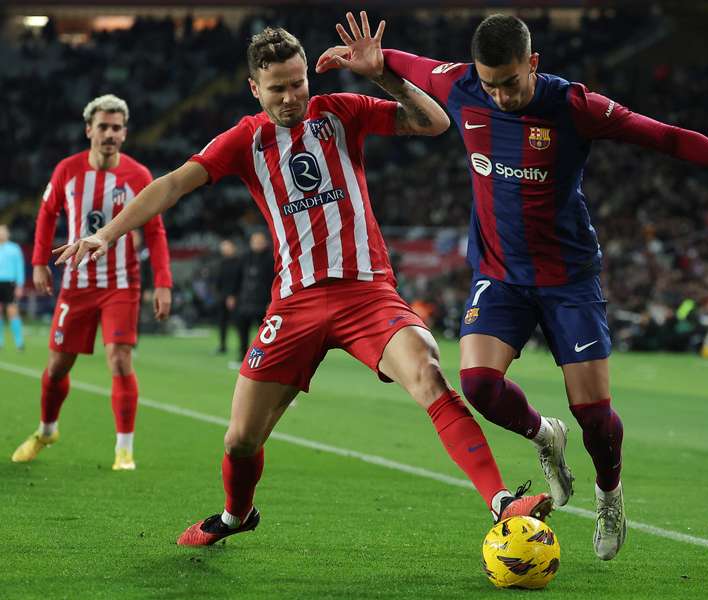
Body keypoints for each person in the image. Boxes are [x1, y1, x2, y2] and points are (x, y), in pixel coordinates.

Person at [318, 12, 708, 561]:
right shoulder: (461, 85)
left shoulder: (575, 107)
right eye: (489, 83)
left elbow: (663, 136)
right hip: (500, 276)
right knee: (477, 384)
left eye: (509, 81)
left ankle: (609, 492)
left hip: (568, 280)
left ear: (533, 63)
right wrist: (373, 66)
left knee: (595, 414)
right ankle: (542, 435)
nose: (498, 95)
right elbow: (400, 65)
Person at [56, 24, 551, 547]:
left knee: (429, 374)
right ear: (255, 88)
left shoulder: (339, 110)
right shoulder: (245, 140)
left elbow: (433, 123)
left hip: (368, 293)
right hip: (294, 304)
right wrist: (107, 234)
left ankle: (501, 504)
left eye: (298, 83)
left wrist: (383, 75)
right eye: (278, 88)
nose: (292, 96)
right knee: (241, 438)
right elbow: (174, 183)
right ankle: (235, 515)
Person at [12, 94, 173, 471]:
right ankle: (47, 430)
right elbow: (47, 215)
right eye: (103, 126)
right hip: (76, 285)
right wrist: (39, 263)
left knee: (119, 360)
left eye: (117, 128)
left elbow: (156, 231)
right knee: (56, 367)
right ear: (89, 130)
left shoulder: (139, 176)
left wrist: (163, 282)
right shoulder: (67, 171)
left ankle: (124, 449)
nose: (110, 134)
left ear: (125, 133)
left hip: (122, 283)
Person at [233, 231, 275, 363]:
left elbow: (275, 281)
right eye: (255, 241)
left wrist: (272, 300)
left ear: (266, 242)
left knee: (263, 334)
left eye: (260, 241)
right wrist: (233, 295)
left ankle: (263, 359)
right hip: (245, 301)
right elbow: (238, 278)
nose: (257, 244)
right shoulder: (244, 257)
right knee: (242, 331)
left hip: (262, 302)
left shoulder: (271, 258)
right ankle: (243, 357)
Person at [0, 224, 26, 351]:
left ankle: (19, 342)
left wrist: (20, 285)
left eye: (3, 232)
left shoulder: (14, 248)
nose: (1, 234)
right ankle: (0, 341)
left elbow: (20, 267)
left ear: (8, 233)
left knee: (12, 311)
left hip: (9, 283)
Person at [213, 239, 241, 355]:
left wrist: (233, 296)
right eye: (223, 248)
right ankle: (222, 345)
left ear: (233, 248)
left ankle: (242, 347)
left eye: (227, 247)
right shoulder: (221, 263)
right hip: (222, 297)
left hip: (236, 297)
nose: (225, 250)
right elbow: (218, 281)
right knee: (222, 323)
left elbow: (239, 280)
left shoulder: (239, 263)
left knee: (239, 323)